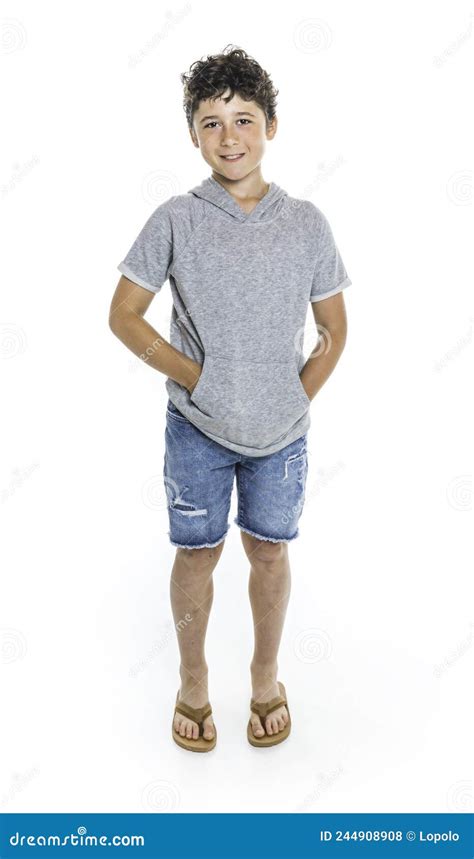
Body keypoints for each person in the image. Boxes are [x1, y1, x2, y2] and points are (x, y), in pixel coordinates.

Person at [109, 45, 352, 752]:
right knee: (197, 555)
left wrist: (293, 396)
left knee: (269, 553)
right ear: (193, 135)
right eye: (211, 123)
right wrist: (196, 377)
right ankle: (192, 681)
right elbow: (124, 316)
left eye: (244, 119)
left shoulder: (306, 222)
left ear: (271, 126)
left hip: (282, 434)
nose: (229, 137)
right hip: (197, 431)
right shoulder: (176, 218)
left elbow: (334, 331)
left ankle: (267, 676)